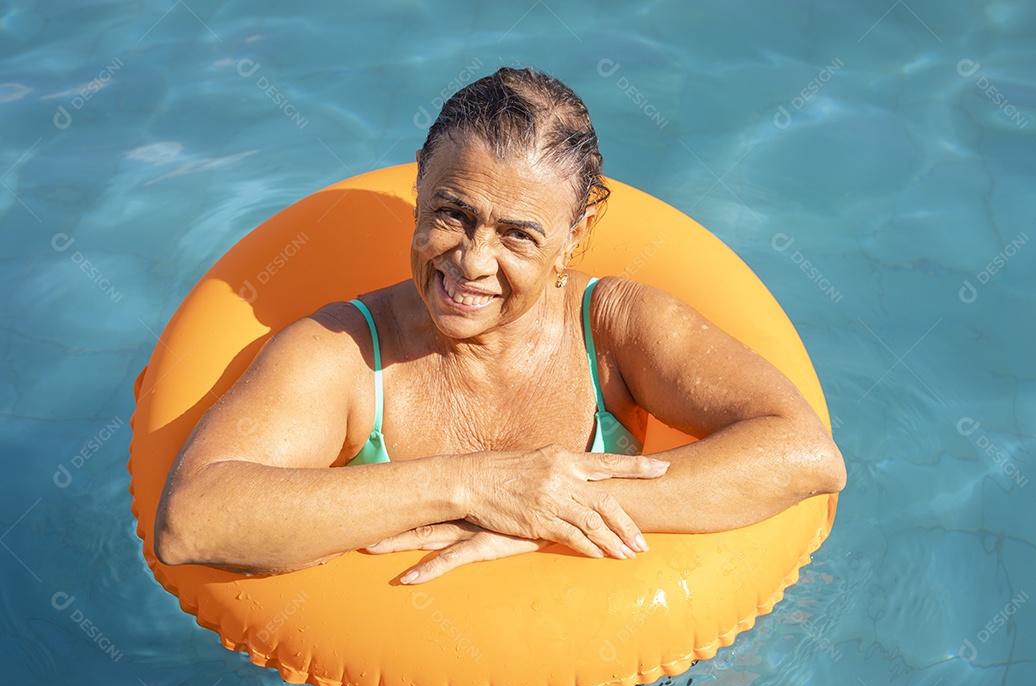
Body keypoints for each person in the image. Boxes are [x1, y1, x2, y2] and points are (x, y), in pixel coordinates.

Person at [154, 67, 845, 588]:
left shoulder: (615, 330)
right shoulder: (345, 352)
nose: (471, 262)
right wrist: (473, 485)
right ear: (419, 189)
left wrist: (553, 509)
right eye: (451, 213)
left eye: (518, 234)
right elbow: (192, 520)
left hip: (605, 674)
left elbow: (806, 453)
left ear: (576, 236)